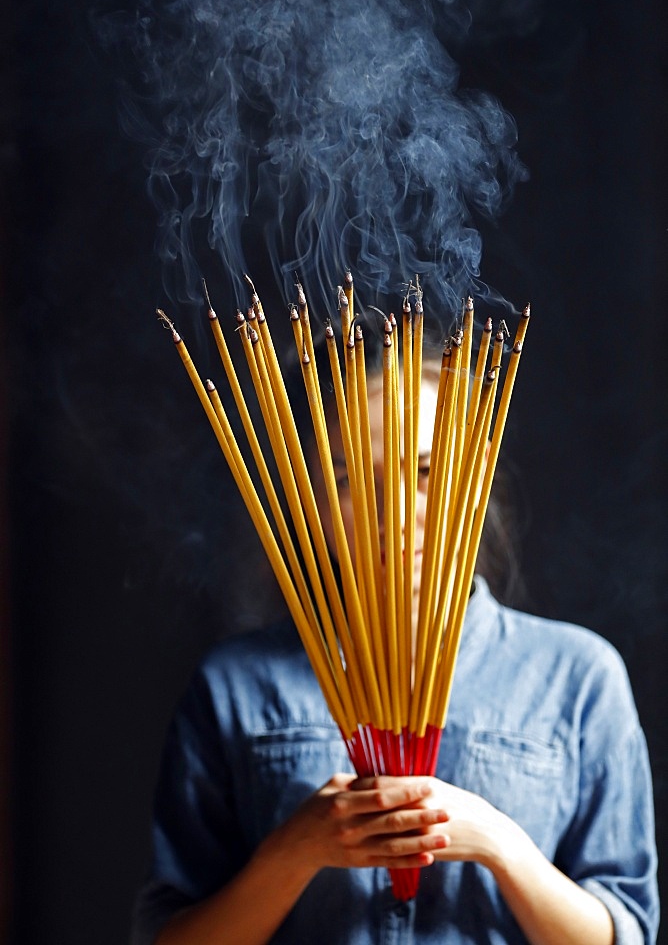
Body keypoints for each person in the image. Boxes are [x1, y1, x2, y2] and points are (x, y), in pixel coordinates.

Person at [130, 334, 659, 945]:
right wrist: (294, 852)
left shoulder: (579, 676)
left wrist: (498, 842)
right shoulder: (235, 686)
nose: (396, 510)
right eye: (354, 477)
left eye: (429, 470)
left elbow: (625, 934)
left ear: (478, 479)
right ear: (314, 502)